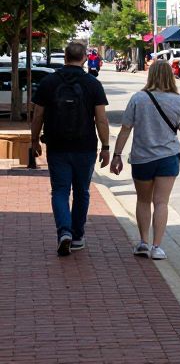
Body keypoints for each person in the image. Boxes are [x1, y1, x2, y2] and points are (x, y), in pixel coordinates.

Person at [29, 41, 110, 256]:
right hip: (85, 146)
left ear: (65, 57)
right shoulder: (92, 84)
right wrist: (106, 146)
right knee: (82, 191)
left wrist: (34, 140)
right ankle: (77, 236)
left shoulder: (49, 82)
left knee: (60, 191)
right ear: (84, 57)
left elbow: (37, 115)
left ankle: (64, 231)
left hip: (57, 145)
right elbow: (101, 119)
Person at [109, 59, 180, 260]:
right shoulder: (179, 100)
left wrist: (117, 155)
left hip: (142, 158)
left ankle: (143, 242)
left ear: (150, 75)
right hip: (168, 157)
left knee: (143, 200)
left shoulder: (138, 98)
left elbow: (126, 128)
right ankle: (157, 247)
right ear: (171, 76)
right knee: (161, 202)